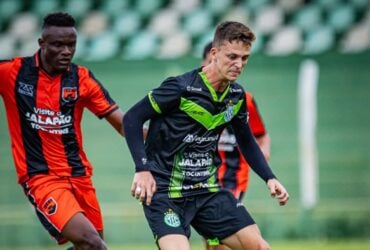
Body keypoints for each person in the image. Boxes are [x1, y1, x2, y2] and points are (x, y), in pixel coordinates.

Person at [123, 21, 289, 250]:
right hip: (165, 194)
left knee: (260, 247)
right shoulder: (179, 88)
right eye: (232, 56)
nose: (239, 64)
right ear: (214, 53)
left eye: (244, 58)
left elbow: (247, 141)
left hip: (207, 191)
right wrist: (142, 170)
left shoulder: (237, 97)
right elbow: (131, 118)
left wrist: (270, 178)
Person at [0, 12, 124, 249]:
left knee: (89, 246)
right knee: (92, 244)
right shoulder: (12, 73)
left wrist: (161, 134)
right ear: (41, 44)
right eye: (58, 45)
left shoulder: (82, 79)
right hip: (41, 177)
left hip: (79, 176)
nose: (66, 51)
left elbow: (122, 123)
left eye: (71, 45)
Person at [202, 42, 271, 250]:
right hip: (203, 177)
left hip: (233, 177)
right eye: (208, 63)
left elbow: (261, 135)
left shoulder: (243, 99)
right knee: (211, 240)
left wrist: (262, 154)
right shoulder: (193, 97)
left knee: (222, 236)